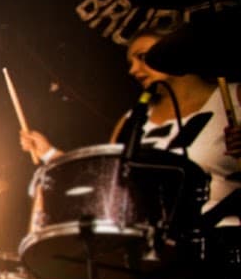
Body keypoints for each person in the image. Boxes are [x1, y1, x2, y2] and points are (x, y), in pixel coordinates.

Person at [20, 28, 241, 216]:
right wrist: (49, 154)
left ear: (176, 51)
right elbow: (107, 182)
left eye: (142, 57)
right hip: (150, 240)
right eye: (130, 62)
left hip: (221, 235)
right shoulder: (131, 120)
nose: (133, 70)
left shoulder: (234, 97)